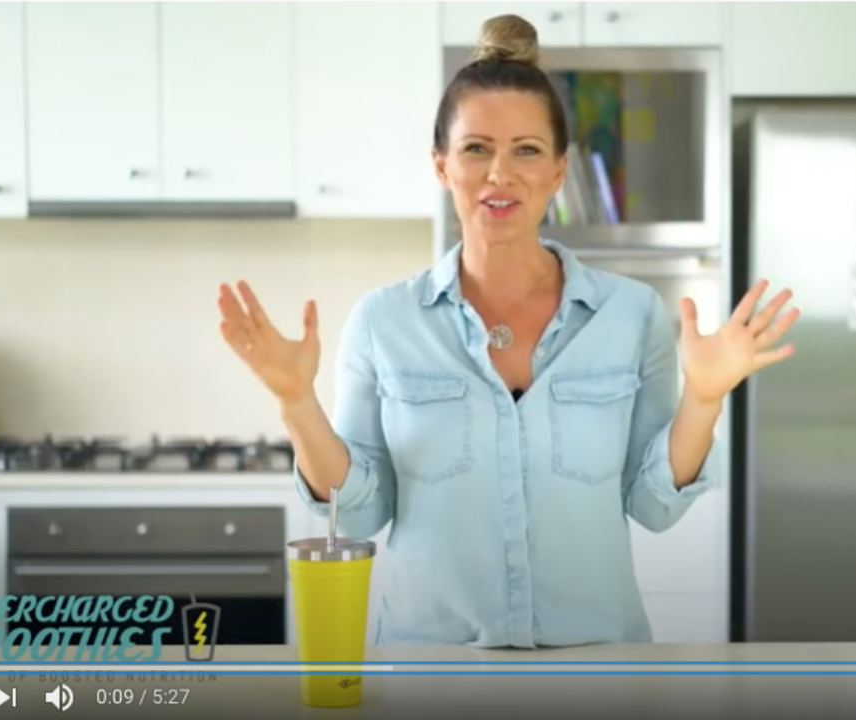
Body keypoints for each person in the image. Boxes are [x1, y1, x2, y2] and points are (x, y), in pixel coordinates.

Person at [216, 14, 799, 648]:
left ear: (558, 170)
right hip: (429, 667)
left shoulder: (632, 316)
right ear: (441, 166)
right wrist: (295, 401)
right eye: (476, 149)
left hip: (596, 665)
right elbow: (358, 512)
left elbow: (654, 506)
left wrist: (704, 398)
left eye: (526, 150)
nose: (500, 173)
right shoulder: (383, 321)